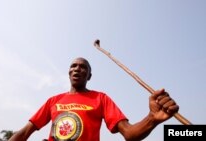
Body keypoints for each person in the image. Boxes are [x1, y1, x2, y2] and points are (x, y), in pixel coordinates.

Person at [9, 57, 179, 141]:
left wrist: (152, 119)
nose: (77, 69)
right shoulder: (53, 101)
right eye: (73, 66)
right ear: (69, 72)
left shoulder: (101, 98)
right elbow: (25, 132)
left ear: (89, 76)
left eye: (83, 67)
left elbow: (129, 134)